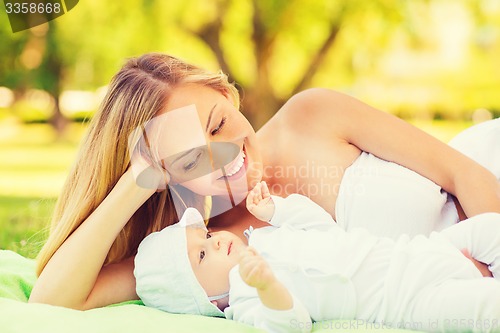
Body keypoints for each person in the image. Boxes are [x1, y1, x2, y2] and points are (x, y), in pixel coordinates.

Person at [28, 53, 500, 310]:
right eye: (191, 158)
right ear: (165, 175)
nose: (224, 153)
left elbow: (463, 172)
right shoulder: (209, 255)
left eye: (217, 124)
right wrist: (136, 180)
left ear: (225, 93)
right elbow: (53, 300)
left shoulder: (312, 117)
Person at [134, 181, 500, 333]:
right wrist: (265, 285)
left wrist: (278, 210)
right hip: (404, 300)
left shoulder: (264, 237)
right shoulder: (247, 298)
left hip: (415, 250)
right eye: (201, 255)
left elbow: (322, 227)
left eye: (208, 235)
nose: (214, 243)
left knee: (488, 228)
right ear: (206, 299)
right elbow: (290, 322)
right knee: (485, 308)